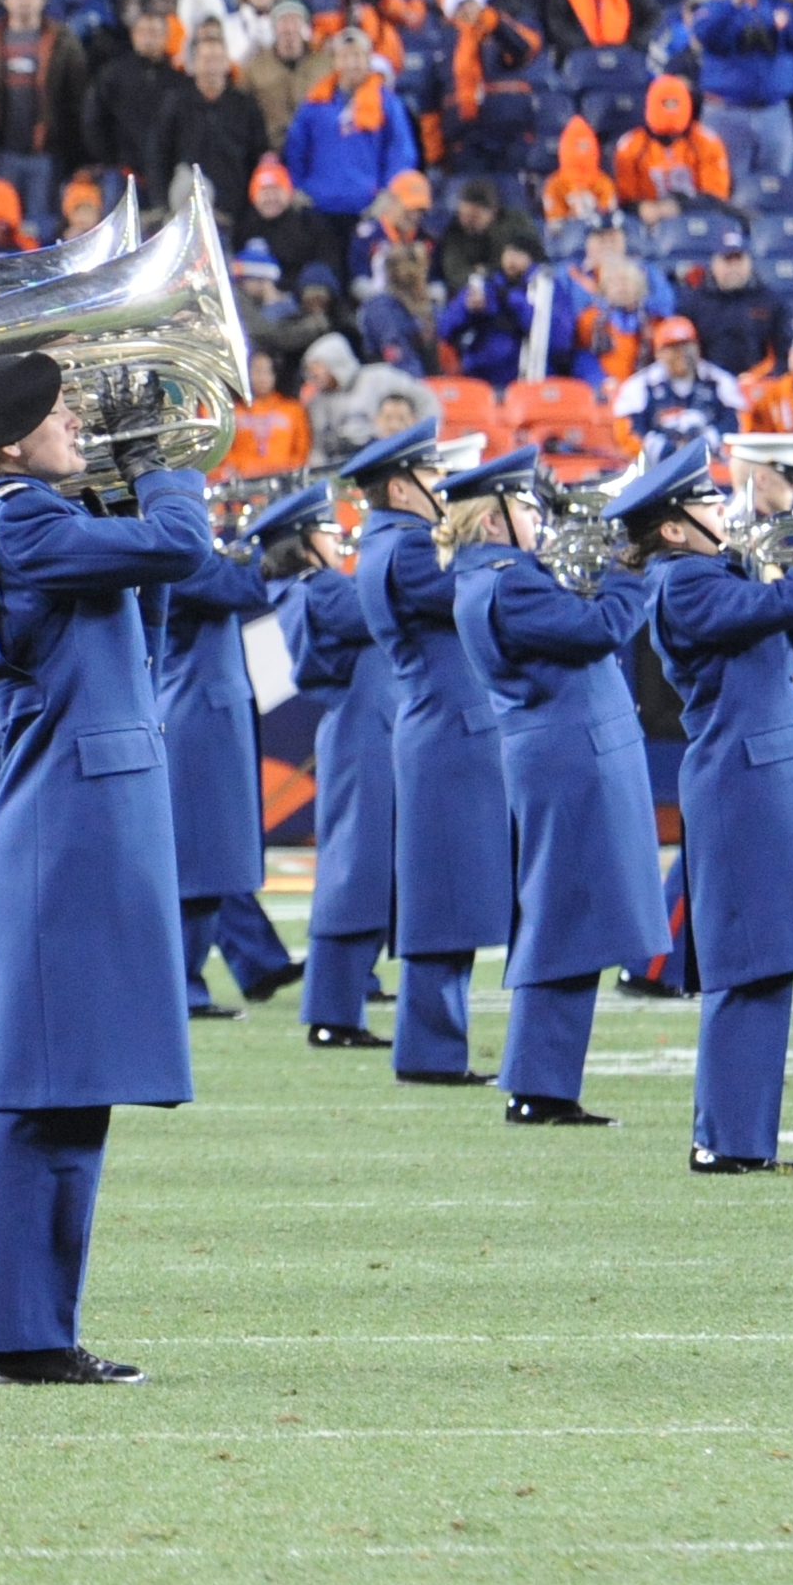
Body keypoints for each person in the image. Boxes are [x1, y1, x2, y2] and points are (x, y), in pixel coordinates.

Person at [0, 347, 211, 1384]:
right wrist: (161, 464)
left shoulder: (28, 517)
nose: (76, 425)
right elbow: (176, 549)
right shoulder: (18, 520)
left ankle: (35, 1328)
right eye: (59, 414)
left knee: (68, 1091)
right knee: (43, 1095)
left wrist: (124, 473)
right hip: (64, 833)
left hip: (73, 825)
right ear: (10, 440)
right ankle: (20, 1336)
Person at [625, 432, 793, 1175]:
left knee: (764, 962)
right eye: (704, 500)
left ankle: (739, 1138)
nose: (722, 505)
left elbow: (786, 619)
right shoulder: (688, 583)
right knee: (750, 964)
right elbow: (785, 601)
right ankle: (727, 1140)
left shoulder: (706, 577)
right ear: (672, 527)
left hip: (756, 777)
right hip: (744, 783)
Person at [451, 456, 659, 1126]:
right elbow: (598, 631)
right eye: (527, 510)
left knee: (563, 919)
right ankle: (540, 1088)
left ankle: (538, 1080)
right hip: (571, 759)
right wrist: (631, 571)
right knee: (565, 923)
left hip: (559, 755)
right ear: (492, 519)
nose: (540, 522)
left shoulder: (493, 578)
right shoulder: (509, 584)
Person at [347, 423, 512, 1087]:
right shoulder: (408, 550)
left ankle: (435, 1044)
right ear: (398, 486)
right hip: (448, 731)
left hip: (445, 728)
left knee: (452, 891)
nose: (441, 489)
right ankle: (431, 1049)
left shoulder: (393, 543)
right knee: (444, 895)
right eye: (430, 477)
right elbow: (478, 597)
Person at [162, 487, 290, 1020]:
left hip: (208, 712)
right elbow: (242, 584)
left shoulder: (182, 554)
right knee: (198, 864)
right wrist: (279, 546)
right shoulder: (176, 558)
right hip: (194, 714)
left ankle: (239, 968)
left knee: (212, 861)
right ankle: (185, 987)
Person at [279, 488, 392, 1050]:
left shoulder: (319, 587)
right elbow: (385, 603)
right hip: (363, 738)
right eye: (326, 532)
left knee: (367, 872)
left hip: (364, 734)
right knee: (356, 873)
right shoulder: (321, 589)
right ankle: (332, 1010)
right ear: (303, 547)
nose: (337, 539)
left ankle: (343, 1000)